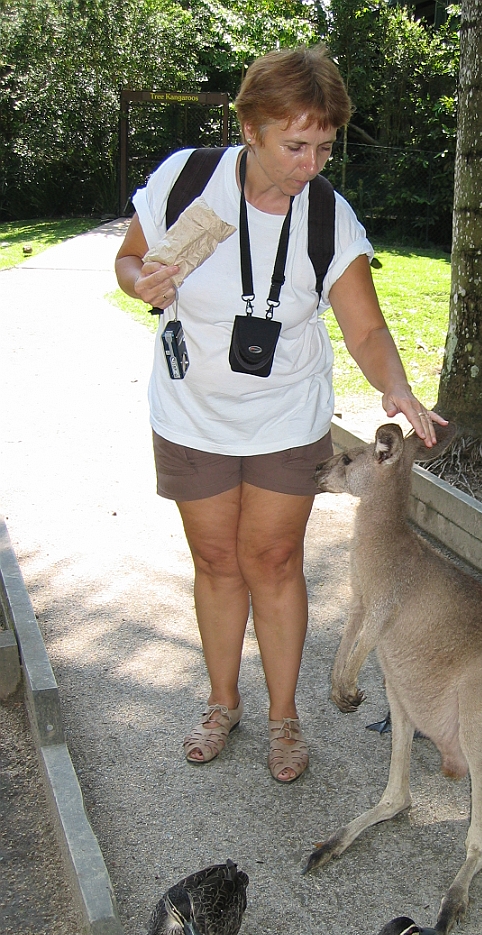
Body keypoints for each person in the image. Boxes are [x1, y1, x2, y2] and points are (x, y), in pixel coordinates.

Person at [114, 45, 446, 782]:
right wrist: (142, 282)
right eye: (296, 145)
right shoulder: (187, 180)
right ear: (251, 128)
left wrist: (394, 385)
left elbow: (363, 327)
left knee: (271, 561)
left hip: (286, 419)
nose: (311, 164)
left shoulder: (328, 216)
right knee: (215, 561)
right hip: (190, 411)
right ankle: (223, 702)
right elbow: (129, 259)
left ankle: (283, 717)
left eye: (325, 147)